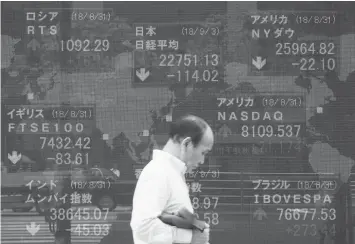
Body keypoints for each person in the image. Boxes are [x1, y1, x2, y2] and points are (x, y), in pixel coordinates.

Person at [130, 115, 214, 244]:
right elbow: (143, 226)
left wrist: (194, 227)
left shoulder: (171, 174)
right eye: (204, 153)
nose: (202, 161)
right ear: (187, 144)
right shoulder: (158, 172)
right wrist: (190, 237)